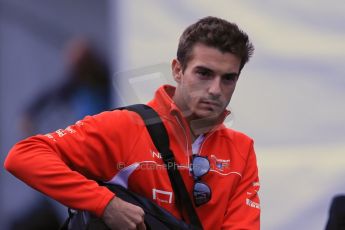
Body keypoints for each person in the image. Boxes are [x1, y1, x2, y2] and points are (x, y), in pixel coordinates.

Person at [4, 16, 260, 229]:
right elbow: (24, 155)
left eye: (228, 78)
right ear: (177, 70)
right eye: (204, 73)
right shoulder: (126, 126)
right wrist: (104, 203)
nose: (215, 89)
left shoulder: (241, 149)